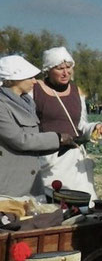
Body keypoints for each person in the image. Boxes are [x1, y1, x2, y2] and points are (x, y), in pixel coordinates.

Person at [33, 47, 102, 199]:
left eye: (68, 67)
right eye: (60, 68)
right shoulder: (35, 90)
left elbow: (81, 125)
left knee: (83, 205)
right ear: (48, 70)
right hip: (48, 161)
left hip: (73, 161)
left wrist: (97, 127)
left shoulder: (76, 91)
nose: (66, 73)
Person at [1, 55, 75, 197]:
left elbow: (33, 143)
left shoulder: (27, 103)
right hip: (10, 187)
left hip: (32, 185)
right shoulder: (2, 106)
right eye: (29, 77)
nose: (34, 81)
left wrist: (60, 145)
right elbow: (20, 140)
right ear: (13, 80)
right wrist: (57, 138)